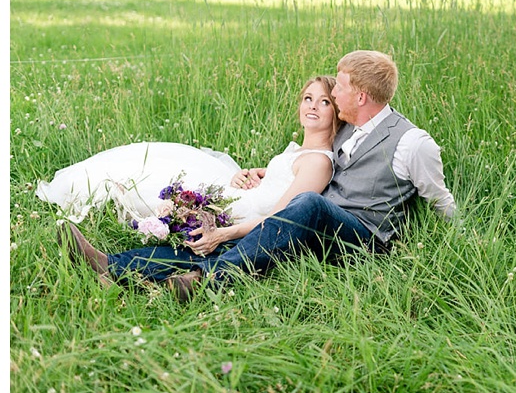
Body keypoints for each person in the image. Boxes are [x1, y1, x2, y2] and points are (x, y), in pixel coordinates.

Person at [64, 50, 456, 300]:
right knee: (227, 240)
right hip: (314, 226)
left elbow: (441, 201)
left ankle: (207, 281)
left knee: (305, 206)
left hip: (363, 238)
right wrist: (267, 173)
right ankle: (115, 267)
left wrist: (451, 242)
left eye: (341, 89)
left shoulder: (412, 143)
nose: (333, 95)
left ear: (362, 97)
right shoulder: (348, 125)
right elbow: (311, 154)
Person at [40, 76, 341, 227]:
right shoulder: (301, 152)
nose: (313, 105)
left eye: (324, 101)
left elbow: (282, 216)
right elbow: (282, 183)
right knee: (162, 160)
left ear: (338, 112)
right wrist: (252, 177)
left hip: (241, 214)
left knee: (154, 188)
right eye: (307, 97)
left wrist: (225, 233)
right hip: (241, 196)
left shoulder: (318, 162)